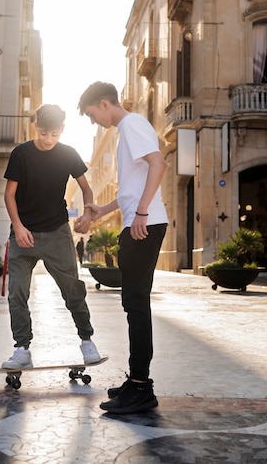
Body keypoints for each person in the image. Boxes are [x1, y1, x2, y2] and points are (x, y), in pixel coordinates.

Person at [78, 82, 168, 414]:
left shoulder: (132, 125)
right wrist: (105, 209)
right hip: (137, 220)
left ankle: (141, 388)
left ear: (105, 104)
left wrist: (142, 212)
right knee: (134, 303)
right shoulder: (127, 130)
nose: (92, 122)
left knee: (136, 302)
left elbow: (159, 165)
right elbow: (133, 185)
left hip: (144, 223)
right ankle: (137, 381)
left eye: (91, 114)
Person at [2, 104, 101, 369]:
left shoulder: (68, 154)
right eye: (44, 132)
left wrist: (88, 214)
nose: (48, 139)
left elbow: (86, 189)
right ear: (36, 126)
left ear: (62, 131)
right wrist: (18, 227)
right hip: (24, 234)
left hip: (57, 233)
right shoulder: (21, 154)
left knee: (73, 290)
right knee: (16, 292)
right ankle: (22, 349)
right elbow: (9, 194)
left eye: (54, 134)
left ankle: (87, 341)